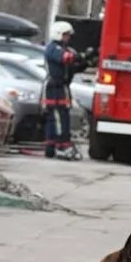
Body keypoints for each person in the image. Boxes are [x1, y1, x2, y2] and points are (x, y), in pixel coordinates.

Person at [43, 20, 84, 160]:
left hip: (62, 87)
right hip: (54, 87)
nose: (68, 38)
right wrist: (77, 57)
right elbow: (65, 59)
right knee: (57, 116)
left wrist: (85, 61)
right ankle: (60, 145)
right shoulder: (53, 48)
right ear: (59, 34)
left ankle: (55, 145)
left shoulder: (65, 49)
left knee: (63, 115)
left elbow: (72, 66)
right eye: (66, 35)